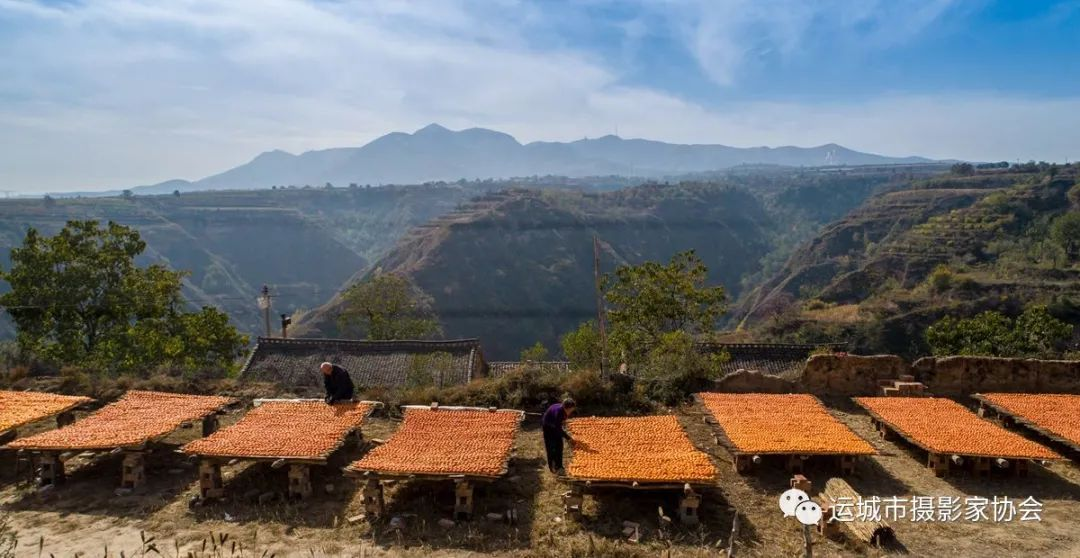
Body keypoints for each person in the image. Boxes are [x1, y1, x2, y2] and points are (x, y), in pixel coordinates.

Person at [541, 398, 576, 474]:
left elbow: (559, 424)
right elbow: (558, 428)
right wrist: (568, 438)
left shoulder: (563, 410)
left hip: (555, 425)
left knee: (559, 446)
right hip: (548, 426)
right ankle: (552, 468)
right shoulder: (559, 412)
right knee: (551, 447)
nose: (571, 411)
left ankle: (559, 466)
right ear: (566, 408)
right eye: (571, 410)